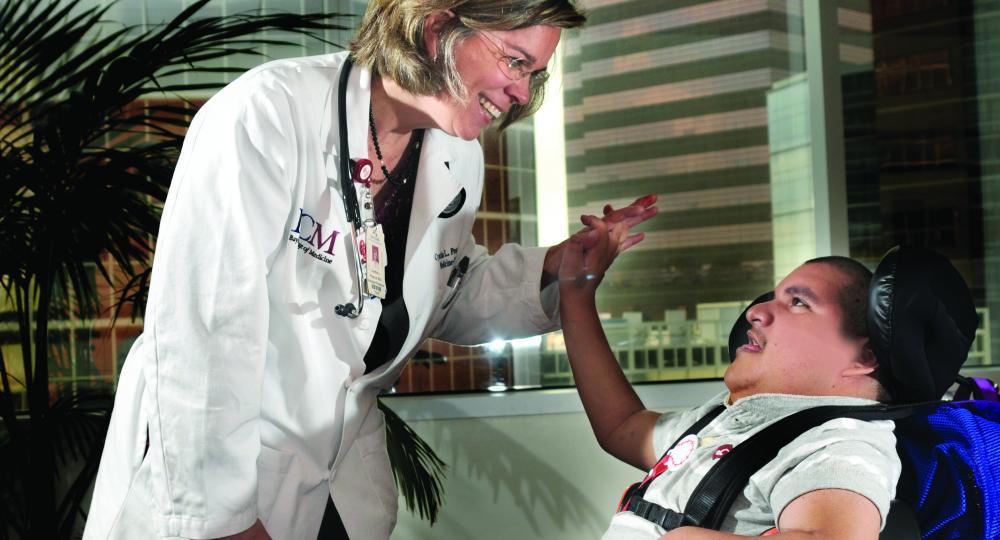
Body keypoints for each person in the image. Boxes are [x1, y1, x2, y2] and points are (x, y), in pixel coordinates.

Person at [84, 1, 658, 539]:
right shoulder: (268, 115)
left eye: (535, 74)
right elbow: (203, 335)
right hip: (219, 474)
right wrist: (226, 523)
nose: (520, 92)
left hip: (336, 477)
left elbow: (442, 293)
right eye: (516, 61)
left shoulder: (458, 158)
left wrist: (558, 267)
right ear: (436, 28)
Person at [557, 218, 900, 539]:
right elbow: (623, 426)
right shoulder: (735, 418)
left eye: (797, 302)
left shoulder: (839, 443)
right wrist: (576, 295)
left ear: (862, 358)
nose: (755, 312)